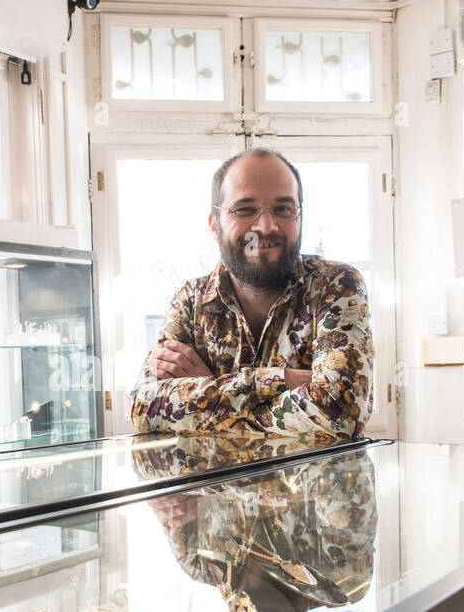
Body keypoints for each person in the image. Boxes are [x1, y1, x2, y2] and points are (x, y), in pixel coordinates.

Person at [129, 147, 374, 440]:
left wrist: (211, 390)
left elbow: (340, 414)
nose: (266, 226)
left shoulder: (336, 285)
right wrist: (281, 380)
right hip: (212, 487)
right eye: (245, 209)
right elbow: (145, 408)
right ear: (214, 224)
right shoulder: (190, 301)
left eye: (283, 209)